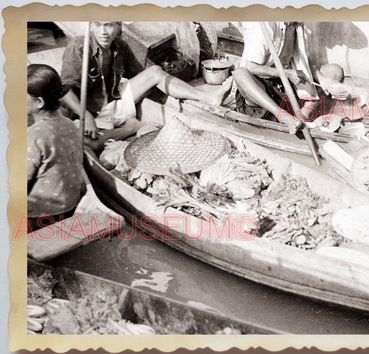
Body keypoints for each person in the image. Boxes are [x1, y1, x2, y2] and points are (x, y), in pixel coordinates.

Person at [61, 21, 233, 152]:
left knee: (155, 72)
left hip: (112, 103)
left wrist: (167, 98)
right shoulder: (78, 47)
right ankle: (132, 127)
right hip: (84, 112)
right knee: (88, 143)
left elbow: (141, 75)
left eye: (108, 25)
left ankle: (207, 97)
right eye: (97, 25)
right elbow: (64, 91)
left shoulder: (120, 46)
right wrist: (86, 116)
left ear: (118, 25)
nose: (103, 32)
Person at [233, 22, 327, 134]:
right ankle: (283, 116)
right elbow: (251, 67)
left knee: (334, 71)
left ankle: (299, 120)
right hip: (261, 89)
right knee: (240, 73)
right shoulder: (267, 25)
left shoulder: (297, 27)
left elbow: (303, 61)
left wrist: (326, 81)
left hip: (283, 88)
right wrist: (287, 73)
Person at [27, 64, 85, 232]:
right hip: (69, 207)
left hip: (39, 216)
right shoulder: (70, 124)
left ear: (39, 102)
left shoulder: (35, 134)